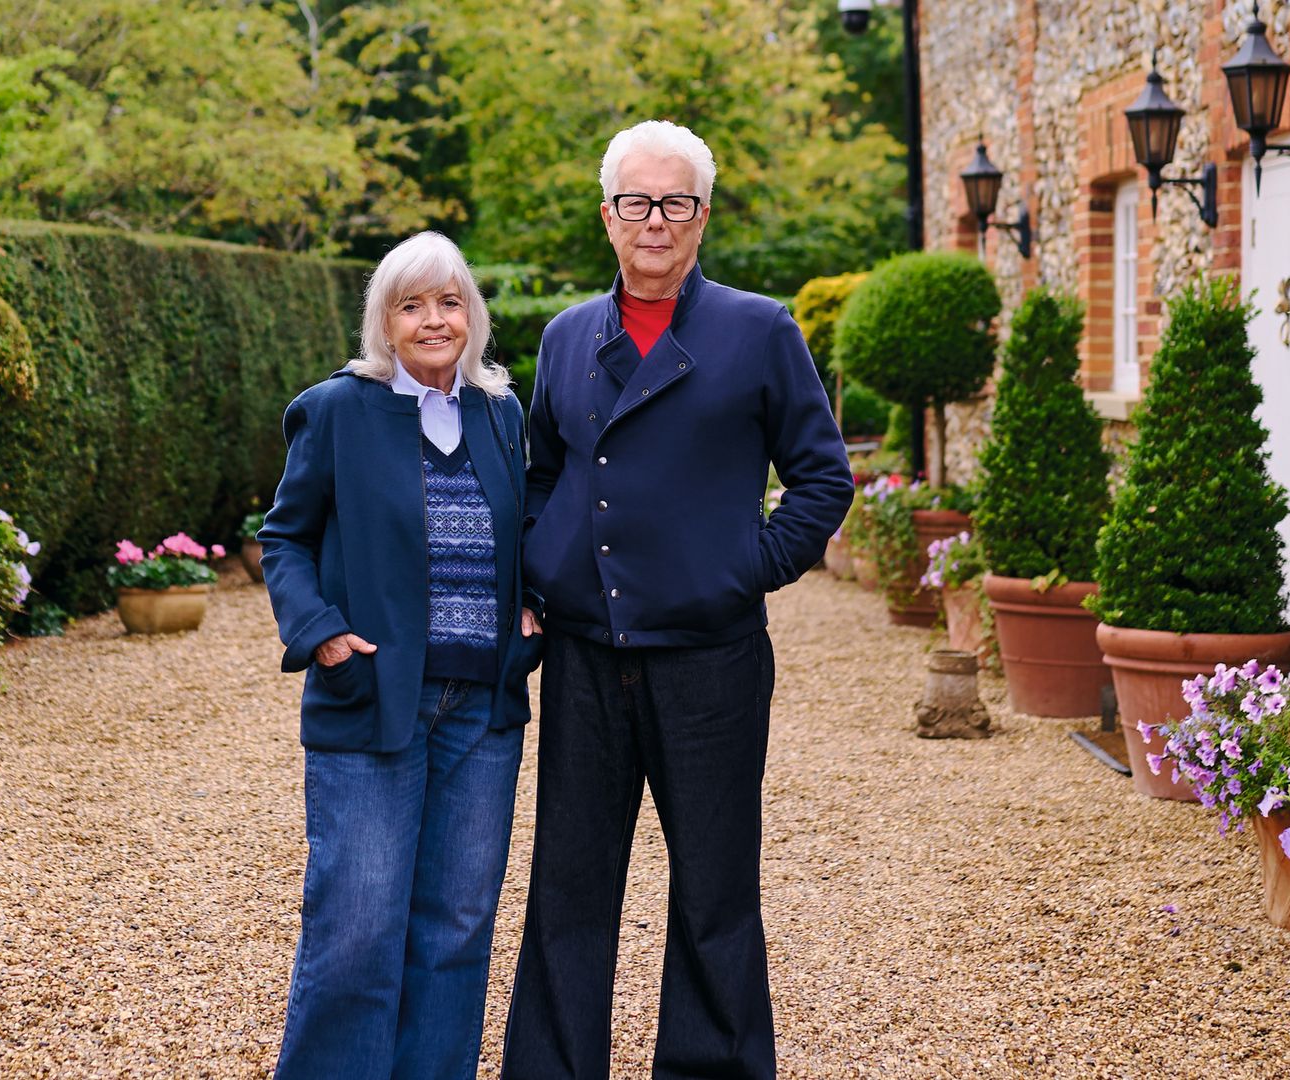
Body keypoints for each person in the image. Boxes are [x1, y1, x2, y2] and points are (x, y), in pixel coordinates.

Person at [502, 121, 854, 1080]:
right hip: (585, 654)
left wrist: (746, 567)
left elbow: (822, 478)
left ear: (702, 216)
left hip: (711, 658)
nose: (654, 221)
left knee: (714, 892)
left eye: (675, 202)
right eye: (636, 202)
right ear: (607, 215)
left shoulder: (760, 329)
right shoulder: (567, 335)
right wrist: (542, 565)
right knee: (569, 888)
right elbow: (541, 471)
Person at [260, 231, 544, 1080]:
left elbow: (519, 531)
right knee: (356, 929)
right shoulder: (336, 410)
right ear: (383, 322)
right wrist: (321, 633)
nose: (433, 320)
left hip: (483, 710)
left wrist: (530, 605)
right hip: (375, 695)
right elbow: (285, 538)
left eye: (449, 302)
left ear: (472, 316)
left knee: (456, 930)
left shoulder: (500, 412)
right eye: (411, 305)